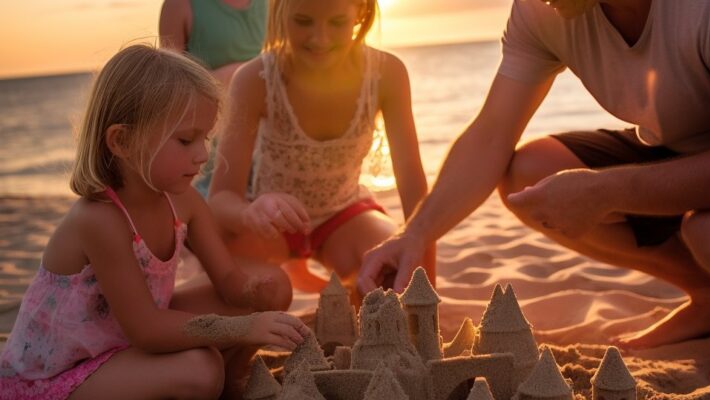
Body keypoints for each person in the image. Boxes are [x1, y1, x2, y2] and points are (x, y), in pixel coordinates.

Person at [358, 0, 710, 381]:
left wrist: (609, 190)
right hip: (681, 144)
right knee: (531, 175)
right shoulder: (542, 9)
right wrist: (415, 232)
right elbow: (492, 132)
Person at [0, 45, 308, 400]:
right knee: (200, 369)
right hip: (64, 374)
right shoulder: (99, 219)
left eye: (205, 138)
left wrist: (256, 293)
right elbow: (145, 328)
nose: (203, 154)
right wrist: (245, 327)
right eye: (185, 139)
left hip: (123, 341)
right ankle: (213, 378)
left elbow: (227, 279)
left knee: (276, 285)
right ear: (122, 141)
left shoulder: (183, 201)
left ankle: (234, 381)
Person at [208, 0, 434, 298]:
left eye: (337, 22)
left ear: (361, 13)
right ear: (279, 12)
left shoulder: (386, 73)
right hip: (271, 223)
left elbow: (412, 186)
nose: (319, 39)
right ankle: (293, 271)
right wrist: (249, 213)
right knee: (259, 293)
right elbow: (220, 200)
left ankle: (331, 278)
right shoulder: (255, 79)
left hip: (343, 215)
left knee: (389, 281)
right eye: (303, 21)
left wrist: (426, 286)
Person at [159, 0, 268, 198]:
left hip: (267, 144)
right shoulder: (179, 5)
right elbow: (168, 92)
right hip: (210, 148)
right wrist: (237, 78)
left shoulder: (276, 4)